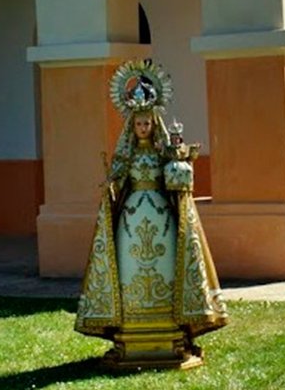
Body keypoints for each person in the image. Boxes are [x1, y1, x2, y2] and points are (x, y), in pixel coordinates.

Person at [75, 60, 227, 369]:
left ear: (154, 124)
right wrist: (111, 186)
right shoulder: (126, 155)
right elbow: (117, 177)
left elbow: (178, 179)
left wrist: (180, 162)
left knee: (165, 264)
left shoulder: (163, 153)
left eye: (147, 123)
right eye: (138, 124)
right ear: (132, 127)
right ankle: (131, 329)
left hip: (161, 219)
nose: (143, 128)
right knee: (132, 265)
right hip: (131, 220)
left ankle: (172, 328)